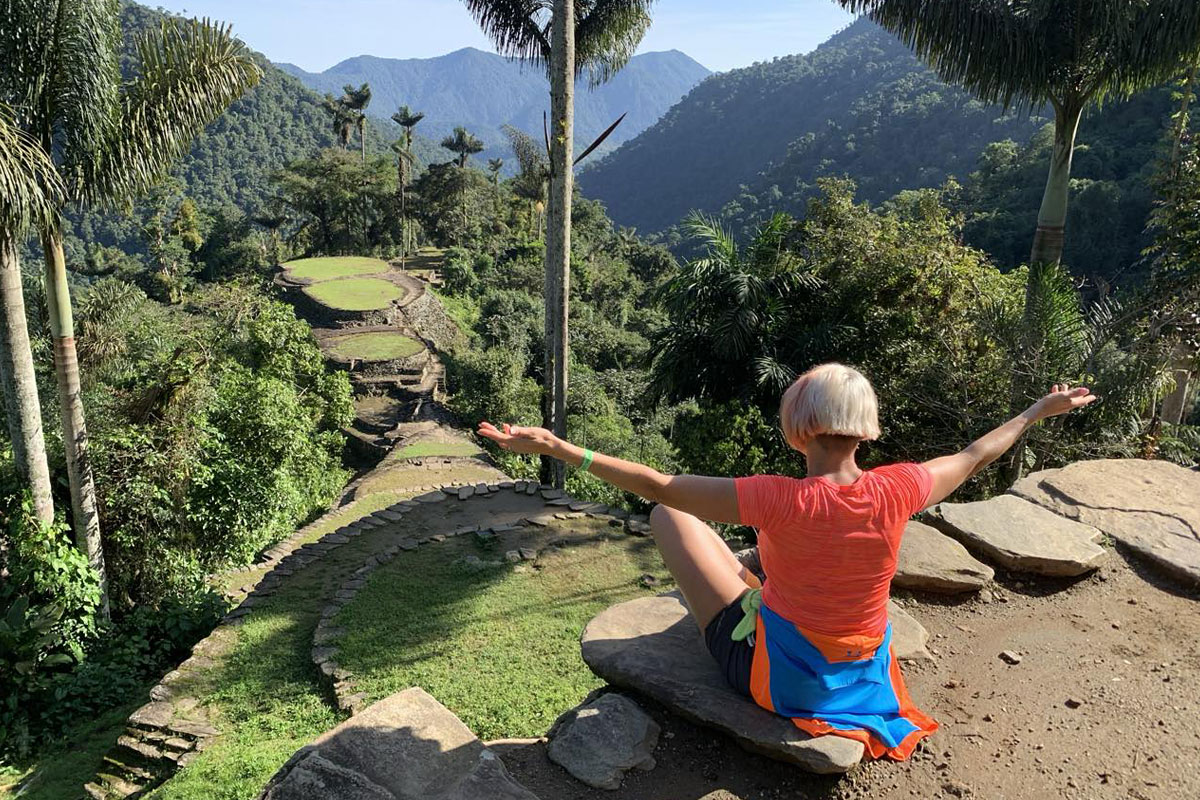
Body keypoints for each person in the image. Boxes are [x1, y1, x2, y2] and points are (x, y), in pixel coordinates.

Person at [477, 363, 1097, 760]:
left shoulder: (778, 498)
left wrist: (560, 447)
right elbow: (974, 453)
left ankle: (746, 621)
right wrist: (1036, 411)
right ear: (866, 428)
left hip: (783, 681)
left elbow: (661, 487)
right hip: (862, 673)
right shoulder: (901, 487)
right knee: (749, 572)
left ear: (798, 427)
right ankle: (757, 604)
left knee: (672, 518)